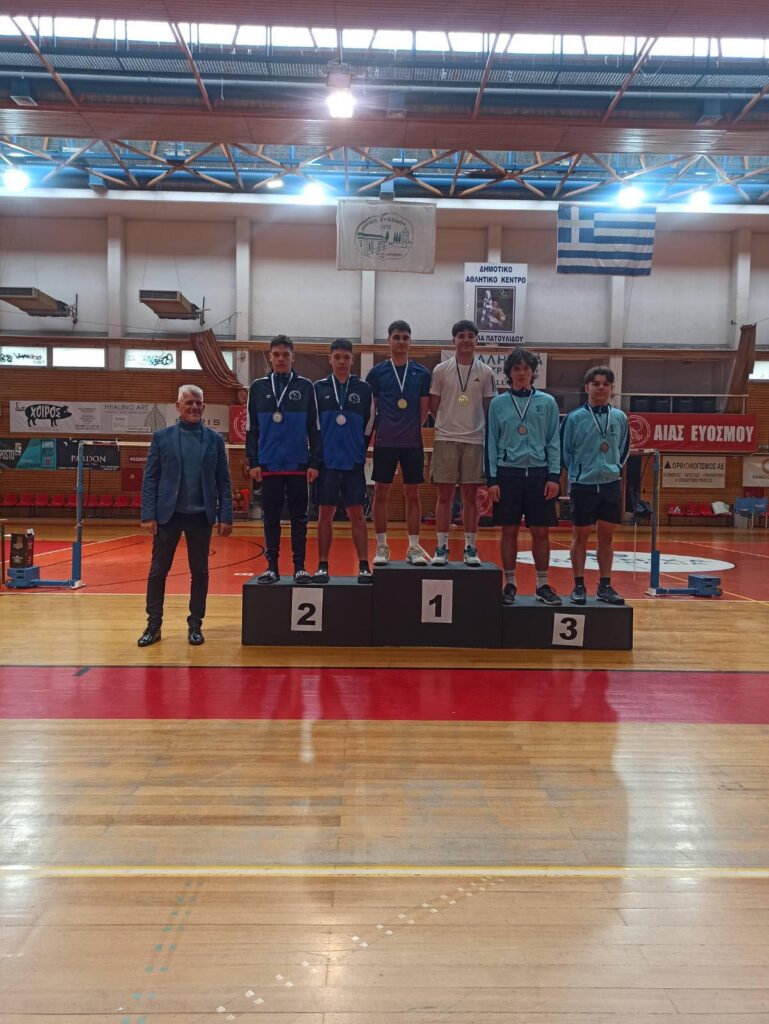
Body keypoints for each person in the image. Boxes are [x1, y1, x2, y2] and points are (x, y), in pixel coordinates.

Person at [139, 384, 233, 647]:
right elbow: (150, 478)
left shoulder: (215, 440)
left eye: (198, 403)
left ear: (203, 407)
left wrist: (226, 515)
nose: (194, 407)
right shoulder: (162, 437)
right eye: (189, 402)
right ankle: (153, 625)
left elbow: (224, 481)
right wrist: (148, 514)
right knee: (158, 572)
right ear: (178, 406)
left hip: (201, 517)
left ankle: (195, 624)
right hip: (168, 516)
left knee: (200, 572)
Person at [486, 349, 562, 606]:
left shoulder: (547, 402)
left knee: (541, 531)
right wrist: (492, 480)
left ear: (533, 372)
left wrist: (554, 475)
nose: (521, 373)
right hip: (508, 474)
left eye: (526, 368)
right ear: (509, 373)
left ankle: (542, 585)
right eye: (516, 368)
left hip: (539, 475)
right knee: (509, 531)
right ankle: (510, 583)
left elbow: (553, 440)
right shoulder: (498, 404)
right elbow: (491, 442)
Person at [246, 334, 321, 585]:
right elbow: (251, 428)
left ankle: (299, 567)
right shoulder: (258, 388)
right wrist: (253, 461)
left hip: (298, 463)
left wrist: (314, 462)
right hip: (268, 463)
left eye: (285, 355)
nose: (280, 359)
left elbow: (314, 427)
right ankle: (272, 567)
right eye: (276, 354)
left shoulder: (306, 387)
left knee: (300, 517)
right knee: (270, 517)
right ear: (270, 357)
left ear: (293, 357)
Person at [560, 365, 630, 605]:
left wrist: (614, 468)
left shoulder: (619, 418)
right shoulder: (574, 418)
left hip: (610, 484)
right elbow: (565, 450)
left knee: (606, 538)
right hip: (583, 484)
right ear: (587, 387)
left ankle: (605, 585)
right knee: (580, 536)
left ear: (612, 388)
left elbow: (624, 448)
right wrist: (578, 472)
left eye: (606, 384)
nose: (601, 388)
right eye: (596, 383)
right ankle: (579, 585)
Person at [429, 319, 496, 566]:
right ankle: (441, 546)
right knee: (444, 495)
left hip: (475, 439)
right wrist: (447, 423)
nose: (466, 340)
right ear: (453, 340)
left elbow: (489, 407)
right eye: (461, 336)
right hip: (445, 437)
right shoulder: (440, 370)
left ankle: (470, 547)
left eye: (470, 335)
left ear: (476, 340)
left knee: (470, 495)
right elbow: (434, 406)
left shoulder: (486, 372)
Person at [366, 319, 431, 565]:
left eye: (405, 337)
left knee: (412, 493)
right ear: (388, 341)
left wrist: (407, 429)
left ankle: (413, 547)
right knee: (381, 492)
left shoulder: (422, 373)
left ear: (410, 341)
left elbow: (424, 412)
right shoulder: (376, 373)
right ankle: (382, 546)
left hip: (412, 442)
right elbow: (371, 410)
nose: (401, 342)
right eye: (397, 337)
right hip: (385, 442)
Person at [313, 339, 375, 584]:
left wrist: (360, 450)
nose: (341, 361)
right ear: (330, 359)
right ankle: (322, 565)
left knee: (357, 514)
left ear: (352, 360)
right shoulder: (318, 388)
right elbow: (313, 426)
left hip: (353, 463)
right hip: (326, 462)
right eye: (337, 357)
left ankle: (364, 565)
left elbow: (370, 423)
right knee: (325, 514)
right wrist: (316, 457)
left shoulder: (363, 389)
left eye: (346, 357)